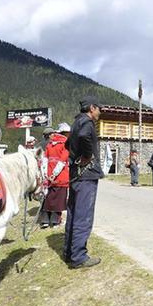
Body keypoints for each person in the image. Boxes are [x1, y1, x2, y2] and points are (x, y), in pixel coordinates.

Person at [63, 96, 104, 269]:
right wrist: (87, 156)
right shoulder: (87, 123)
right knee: (83, 216)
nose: (100, 112)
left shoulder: (76, 123)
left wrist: (76, 156)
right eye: (99, 109)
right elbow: (84, 136)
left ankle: (69, 252)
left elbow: (67, 145)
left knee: (73, 213)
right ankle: (79, 256)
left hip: (75, 175)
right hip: (86, 176)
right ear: (92, 108)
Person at [40, 123, 71, 228]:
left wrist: (45, 173)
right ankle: (55, 221)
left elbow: (45, 159)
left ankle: (44, 220)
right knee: (59, 200)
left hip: (48, 176)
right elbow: (62, 160)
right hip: (61, 176)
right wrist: (54, 174)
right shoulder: (66, 143)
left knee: (48, 198)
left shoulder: (50, 144)